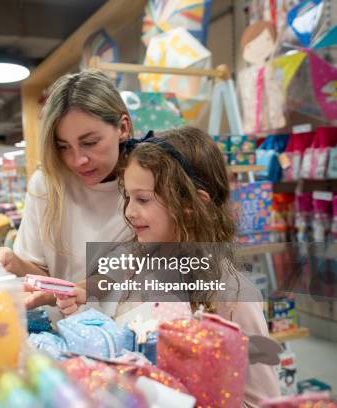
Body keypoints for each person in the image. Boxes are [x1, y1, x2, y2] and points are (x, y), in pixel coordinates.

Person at [56, 126, 281, 407]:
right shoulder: (137, 264)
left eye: (143, 199)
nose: (129, 211)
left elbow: (263, 401)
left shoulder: (233, 296)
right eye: (128, 197)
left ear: (192, 204)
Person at [0, 70, 134, 308]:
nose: (78, 160)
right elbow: (37, 270)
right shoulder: (47, 184)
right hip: (62, 331)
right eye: (63, 146)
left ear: (122, 128)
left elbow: (133, 271)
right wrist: (11, 262)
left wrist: (66, 292)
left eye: (90, 143)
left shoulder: (146, 187)